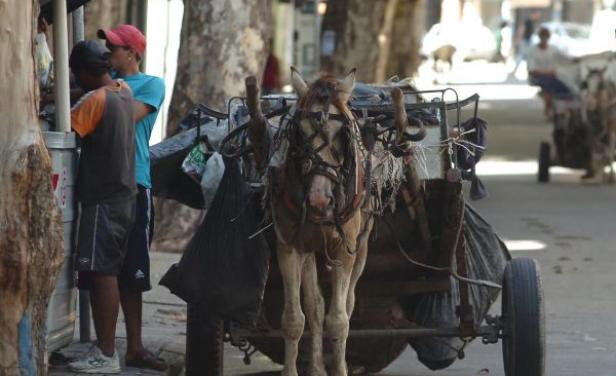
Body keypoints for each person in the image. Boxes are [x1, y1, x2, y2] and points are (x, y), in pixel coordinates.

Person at [97, 24, 167, 371]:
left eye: (115, 47)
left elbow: (127, 116)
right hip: (99, 182)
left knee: (132, 271)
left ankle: (135, 346)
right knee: (101, 268)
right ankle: (104, 347)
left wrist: (101, 89)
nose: (108, 51)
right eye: (106, 46)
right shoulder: (104, 81)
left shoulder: (151, 84)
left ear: (134, 54)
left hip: (134, 181)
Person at [67, 40, 136, 374]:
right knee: (102, 271)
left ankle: (107, 354)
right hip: (123, 196)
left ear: (82, 73)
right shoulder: (123, 91)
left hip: (103, 199)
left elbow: (65, 131)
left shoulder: (93, 101)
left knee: (102, 274)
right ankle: (102, 347)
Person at [526, 27, 573, 118]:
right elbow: (532, 71)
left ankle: (564, 107)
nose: (544, 39)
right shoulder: (533, 51)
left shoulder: (553, 49)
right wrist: (547, 73)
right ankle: (548, 109)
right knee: (548, 85)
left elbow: (565, 58)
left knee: (566, 87)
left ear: (548, 38)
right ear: (539, 37)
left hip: (553, 76)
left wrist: (576, 60)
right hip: (539, 77)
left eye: (546, 37)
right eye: (542, 37)